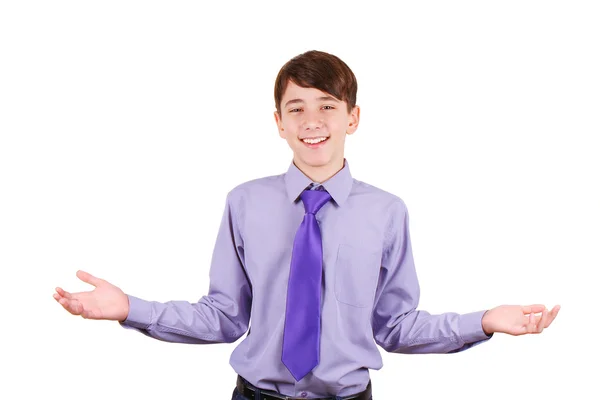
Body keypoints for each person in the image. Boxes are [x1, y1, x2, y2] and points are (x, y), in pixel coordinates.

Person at [53, 50, 560, 400]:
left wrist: (486, 320)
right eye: (296, 108)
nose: (311, 120)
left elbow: (396, 326)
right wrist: (129, 309)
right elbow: (225, 317)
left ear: (352, 118)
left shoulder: (387, 212)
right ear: (278, 121)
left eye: (327, 106)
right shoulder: (244, 203)